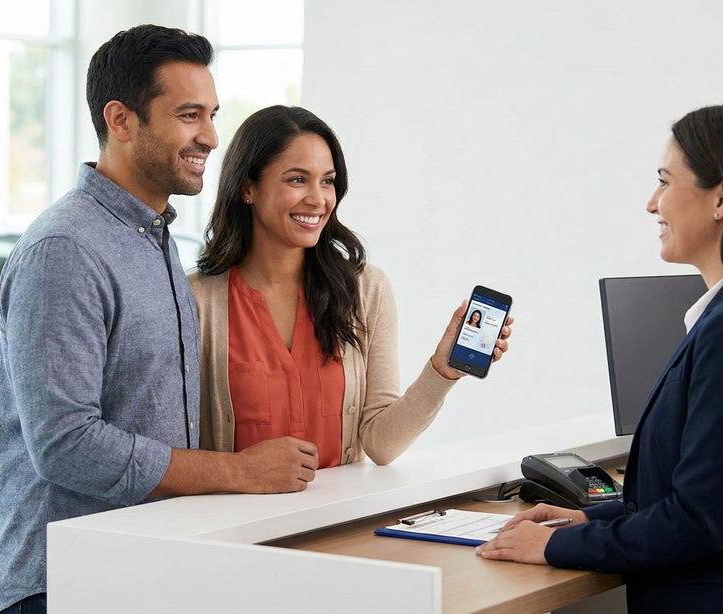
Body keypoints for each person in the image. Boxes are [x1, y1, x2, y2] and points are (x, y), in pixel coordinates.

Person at [0, 27, 319, 614]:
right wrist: (238, 472)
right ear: (121, 119)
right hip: (66, 585)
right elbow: (65, 445)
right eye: (189, 115)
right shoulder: (65, 249)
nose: (212, 137)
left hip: (144, 568)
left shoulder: (155, 237)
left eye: (212, 115)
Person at [476, 103, 723, 613]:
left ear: (722, 198)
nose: (651, 203)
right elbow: (719, 497)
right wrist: (588, 519)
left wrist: (552, 545)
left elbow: (697, 522)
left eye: (664, 181)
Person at [188, 105, 513, 468]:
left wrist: (442, 371)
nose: (318, 198)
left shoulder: (366, 290)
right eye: (297, 179)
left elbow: (381, 444)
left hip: (342, 521)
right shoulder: (196, 301)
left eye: (327, 181)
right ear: (248, 187)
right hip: (234, 522)